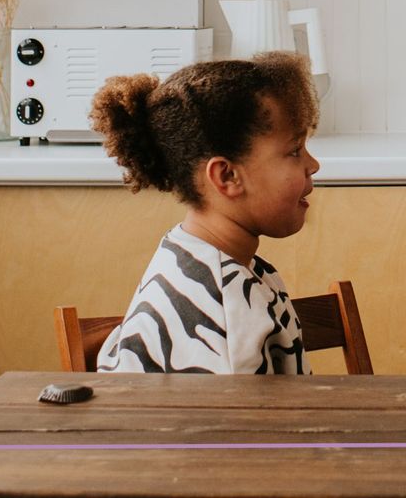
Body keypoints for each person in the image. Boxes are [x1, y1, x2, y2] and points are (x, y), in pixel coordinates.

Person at [90, 51, 321, 374]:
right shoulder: (228, 312)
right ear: (227, 176)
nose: (313, 165)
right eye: (294, 151)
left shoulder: (193, 255)